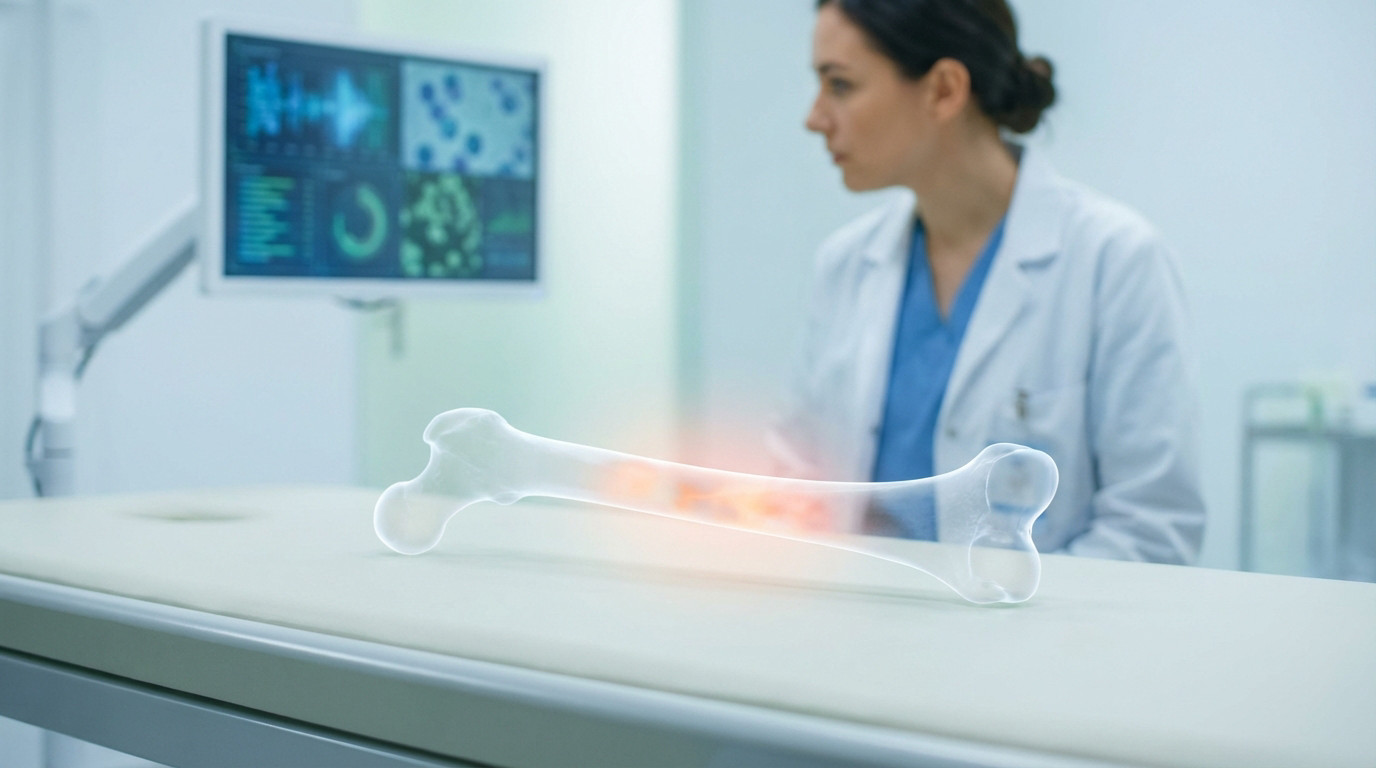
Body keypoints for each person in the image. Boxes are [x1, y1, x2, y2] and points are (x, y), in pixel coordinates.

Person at [768, 0, 1205, 563]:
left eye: (840, 85)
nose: (815, 117)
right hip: (853, 613)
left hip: (1038, 621)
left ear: (944, 90)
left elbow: (1150, 530)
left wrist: (1004, 612)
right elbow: (798, 481)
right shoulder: (846, 264)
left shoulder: (1115, 262)